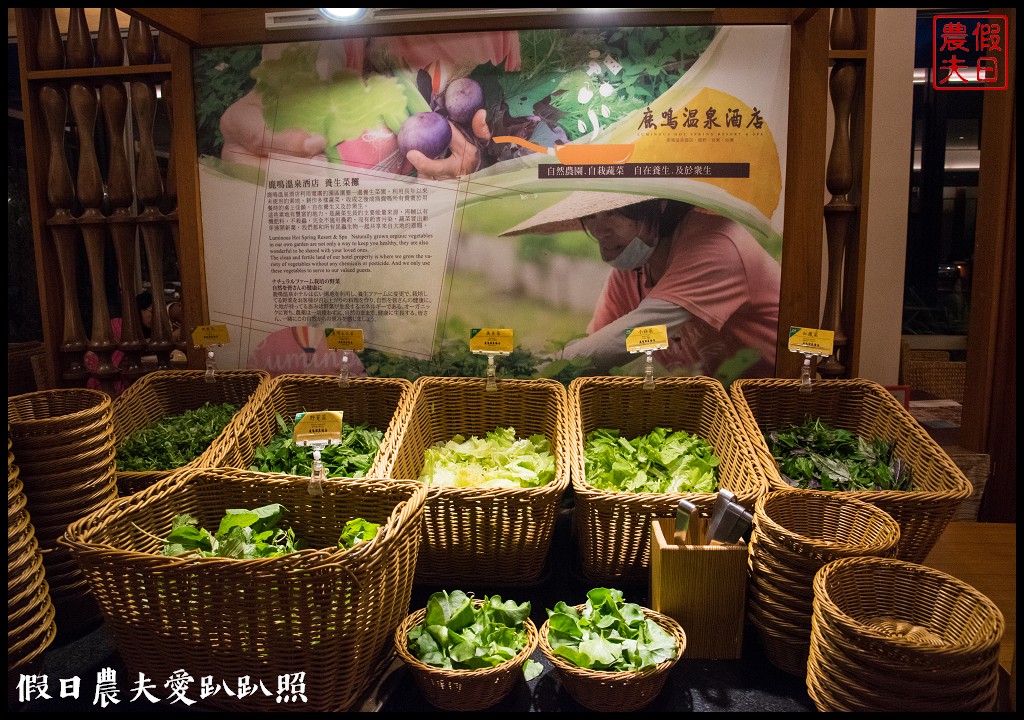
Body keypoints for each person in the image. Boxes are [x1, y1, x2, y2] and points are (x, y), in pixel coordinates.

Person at [500, 192, 781, 379]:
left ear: (658, 206)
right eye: (591, 217)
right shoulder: (634, 261)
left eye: (612, 213)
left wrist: (535, 373)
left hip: (777, 406)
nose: (600, 230)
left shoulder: (717, 245)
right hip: (718, 407)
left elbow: (627, 337)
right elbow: (597, 346)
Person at [219, 32, 520, 180]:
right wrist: (260, 132)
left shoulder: (490, 33)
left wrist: (480, 162)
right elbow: (277, 97)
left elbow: (493, 106)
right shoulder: (329, 39)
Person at [247, 325, 367, 378]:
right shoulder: (269, 341)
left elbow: (360, 377)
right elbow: (254, 378)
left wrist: (334, 379)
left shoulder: (339, 337)